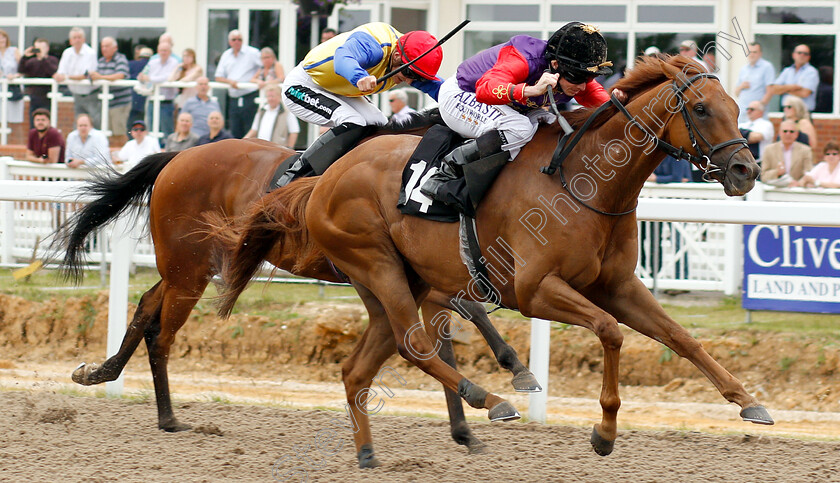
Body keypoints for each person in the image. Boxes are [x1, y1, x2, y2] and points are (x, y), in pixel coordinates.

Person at [420, 22, 627, 209]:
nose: (583, 86)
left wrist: (619, 101)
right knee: (520, 128)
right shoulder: (523, 57)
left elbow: (600, 99)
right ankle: (445, 174)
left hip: (507, 104)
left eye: (590, 77)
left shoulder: (570, 71)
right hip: (464, 94)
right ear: (555, 65)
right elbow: (485, 89)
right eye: (579, 77)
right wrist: (531, 90)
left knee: (552, 124)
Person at [278, 22, 444, 187]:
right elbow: (343, 57)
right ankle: (291, 179)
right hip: (304, 85)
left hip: (339, 88)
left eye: (418, 77)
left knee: (382, 127)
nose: (409, 80)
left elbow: (442, 90)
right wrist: (359, 77)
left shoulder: (409, 62)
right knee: (353, 121)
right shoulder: (374, 46)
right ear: (396, 56)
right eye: (408, 73)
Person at [214, 30, 261, 138]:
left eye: (239, 39)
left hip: (249, 97)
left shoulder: (252, 52)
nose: (237, 42)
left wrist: (255, 78)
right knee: (235, 130)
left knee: (250, 130)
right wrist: (230, 81)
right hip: (234, 99)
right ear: (229, 42)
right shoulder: (226, 55)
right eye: (234, 40)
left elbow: (265, 66)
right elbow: (218, 76)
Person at [53, 27, 100, 128]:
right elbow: (60, 73)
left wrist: (66, 77)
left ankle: (96, 145)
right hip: (76, 94)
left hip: (91, 95)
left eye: (79, 37)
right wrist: (58, 76)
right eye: (75, 37)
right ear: (70, 41)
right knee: (78, 123)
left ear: (84, 39)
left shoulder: (90, 53)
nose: (77, 40)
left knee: (94, 123)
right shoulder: (67, 53)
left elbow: (86, 75)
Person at [89, 37, 131, 145]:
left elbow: (120, 75)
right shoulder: (101, 61)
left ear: (115, 48)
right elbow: (94, 75)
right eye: (102, 46)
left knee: (119, 132)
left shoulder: (120, 59)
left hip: (120, 102)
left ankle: (122, 157)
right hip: (105, 103)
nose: (104, 49)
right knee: (107, 133)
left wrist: (101, 76)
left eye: (107, 46)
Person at [139, 42, 178, 138]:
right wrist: (148, 78)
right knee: (151, 128)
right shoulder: (153, 62)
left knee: (167, 130)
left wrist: (151, 78)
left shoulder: (174, 62)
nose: (163, 52)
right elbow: (142, 75)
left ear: (169, 52)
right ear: (158, 51)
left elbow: (168, 77)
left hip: (167, 101)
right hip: (152, 99)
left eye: (165, 50)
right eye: (161, 50)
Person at [763, 44, 819, 112]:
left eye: (805, 54)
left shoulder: (811, 72)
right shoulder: (787, 71)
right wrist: (793, 87)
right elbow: (774, 89)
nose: (802, 55)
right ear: (793, 55)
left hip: (803, 112)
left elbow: (805, 93)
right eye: (799, 53)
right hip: (787, 111)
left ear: (809, 57)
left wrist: (783, 89)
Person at [18, 37, 57, 128]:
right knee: (33, 123)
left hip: (48, 96)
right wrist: (25, 57)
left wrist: (43, 58)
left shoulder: (52, 60)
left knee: (47, 123)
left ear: (47, 48)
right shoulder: (32, 61)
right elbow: (21, 70)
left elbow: (53, 72)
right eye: (37, 48)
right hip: (34, 96)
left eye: (41, 48)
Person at [760, 120, 813, 187]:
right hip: (775, 191)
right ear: (779, 133)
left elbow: (808, 173)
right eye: (785, 131)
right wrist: (777, 172)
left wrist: (798, 183)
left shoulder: (805, 150)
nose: (788, 134)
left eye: (791, 132)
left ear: (796, 134)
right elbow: (763, 176)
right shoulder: (769, 149)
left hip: (797, 190)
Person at [735, 42, 775, 123]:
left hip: (757, 114)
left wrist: (759, 108)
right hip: (743, 113)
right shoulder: (744, 69)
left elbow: (770, 91)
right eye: (750, 52)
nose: (752, 55)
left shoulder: (767, 67)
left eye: (755, 52)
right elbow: (736, 93)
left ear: (760, 53)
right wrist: (741, 86)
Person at [0, 29, 23, 124]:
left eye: (3, 37)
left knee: (14, 121)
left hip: (14, 89)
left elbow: (24, 69)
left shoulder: (14, 51)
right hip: (1, 88)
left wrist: (14, 76)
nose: (1, 40)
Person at [128, 46, 152, 130]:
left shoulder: (131, 64)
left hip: (133, 99)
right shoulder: (151, 65)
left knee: (132, 125)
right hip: (148, 100)